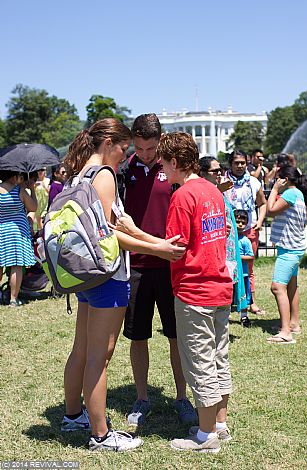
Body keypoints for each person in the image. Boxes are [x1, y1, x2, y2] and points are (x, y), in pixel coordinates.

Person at [61, 118, 185, 452]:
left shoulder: (77, 173)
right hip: (107, 274)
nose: (127, 154)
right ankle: (101, 434)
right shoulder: (103, 175)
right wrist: (157, 247)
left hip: (85, 273)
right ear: (110, 144)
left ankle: (73, 416)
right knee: (98, 358)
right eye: (124, 147)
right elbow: (107, 233)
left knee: (83, 350)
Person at [117, 114, 197, 426]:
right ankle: (141, 397)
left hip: (170, 266)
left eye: (151, 149)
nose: (146, 155)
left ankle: (181, 396)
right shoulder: (124, 170)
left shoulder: (174, 170)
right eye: (139, 148)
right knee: (138, 335)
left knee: (177, 335)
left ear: (160, 143)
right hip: (135, 265)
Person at [156, 132, 233, 453]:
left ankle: (205, 436)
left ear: (175, 161)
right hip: (219, 285)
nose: (161, 169)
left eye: (163, 162)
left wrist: (134, 237)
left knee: (199, 361)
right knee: (218, 357)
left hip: (194, 289)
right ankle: (219, 424)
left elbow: (176, 248)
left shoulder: (183, 196)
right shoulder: (212, 191)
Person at [266, 166, 307, 344]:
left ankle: (286, 332)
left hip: (289, 250)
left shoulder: (290, 194)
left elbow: (270, 210)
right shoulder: (298, 194)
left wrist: (275, 189)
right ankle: (294, 323)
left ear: (284, 179)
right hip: (294, 248)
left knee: (277, 287)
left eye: (278, 178)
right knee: (291, 285)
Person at [199, 156, 247, 325]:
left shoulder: (218, 190)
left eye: (221, 170)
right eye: (215, 171)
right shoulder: (203, 193)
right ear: (203, 173)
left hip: (229, 246)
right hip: (216, 247)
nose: (219, 174)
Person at [224, 150, 267, 315]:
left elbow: (262, 203)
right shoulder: (224, 182)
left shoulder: (254, 182)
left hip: (249, 229)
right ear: (230, 164)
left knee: (248, 268)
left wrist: (260, 221)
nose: (240, 166)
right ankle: (229, 301)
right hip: (228, 230)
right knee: (227, 266)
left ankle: (251, 302)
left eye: (242, 163)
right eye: (236, 163)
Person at [0, 170, 37, 306]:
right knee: (16, 266)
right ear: (14, 176)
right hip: (17, 233)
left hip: (1, 232)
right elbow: (33, 207)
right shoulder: (18, 191)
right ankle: (13, 299)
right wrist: (32, 189)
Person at [234, 210, 254, 327]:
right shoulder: (229, 238)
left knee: (244, 296)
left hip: (243, 274)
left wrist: (237, 257)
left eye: (243, 222)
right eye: (237, 221)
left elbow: (250, 257)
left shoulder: (245, 241)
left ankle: (244, 316)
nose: (240, 224)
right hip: (231, 274)